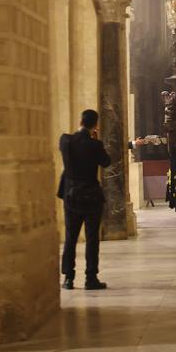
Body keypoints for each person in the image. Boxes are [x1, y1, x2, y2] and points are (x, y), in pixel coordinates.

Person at [58, 109, 111, 290]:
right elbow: (106, 162)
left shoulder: (65, 141)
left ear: (80, 120)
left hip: (71, 195)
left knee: (70, 238)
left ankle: (68, 278)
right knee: (91, 238)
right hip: (91, 196)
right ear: (95, 125)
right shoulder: (95, 145)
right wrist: (95, 140)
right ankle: (90, 278)